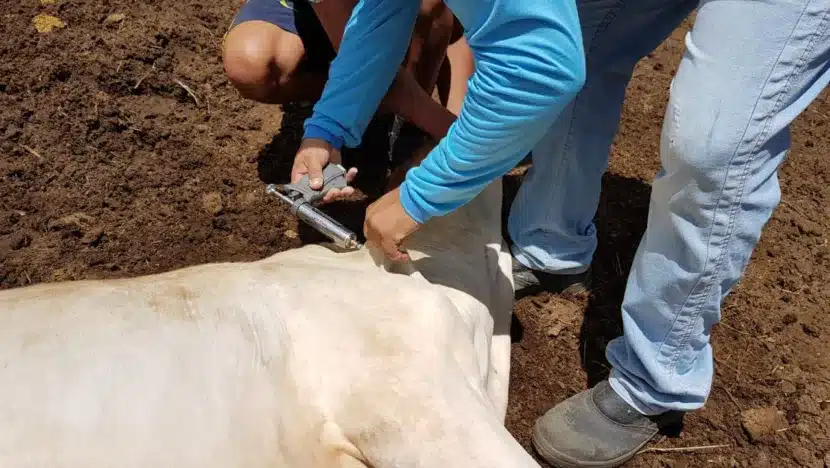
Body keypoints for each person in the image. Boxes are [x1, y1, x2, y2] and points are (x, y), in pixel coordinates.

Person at [221, 0, 474, 182]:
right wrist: (325, 132)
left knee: (430, 8)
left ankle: (409, 130)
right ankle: (376, 108)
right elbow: (369, 63)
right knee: (249, 62)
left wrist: (459, 140)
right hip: (329, 10)